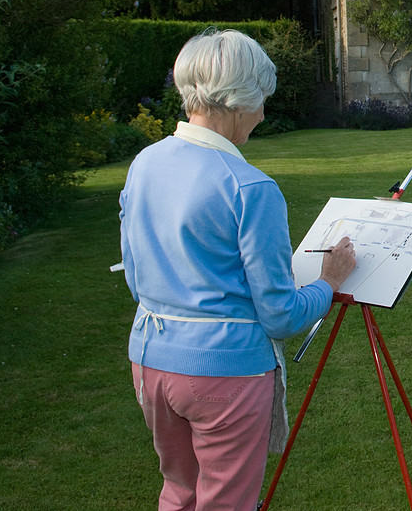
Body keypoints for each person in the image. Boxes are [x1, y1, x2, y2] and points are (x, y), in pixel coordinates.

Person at [120, 28, 355, 511]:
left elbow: (137, 278)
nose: (263, 114)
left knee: (179, 492)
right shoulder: (249, 186)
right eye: (260, 100)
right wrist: (328, 282)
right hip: (224, 373)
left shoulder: (144, 163)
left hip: (149, 358)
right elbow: (281, 317)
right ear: (236, 99)